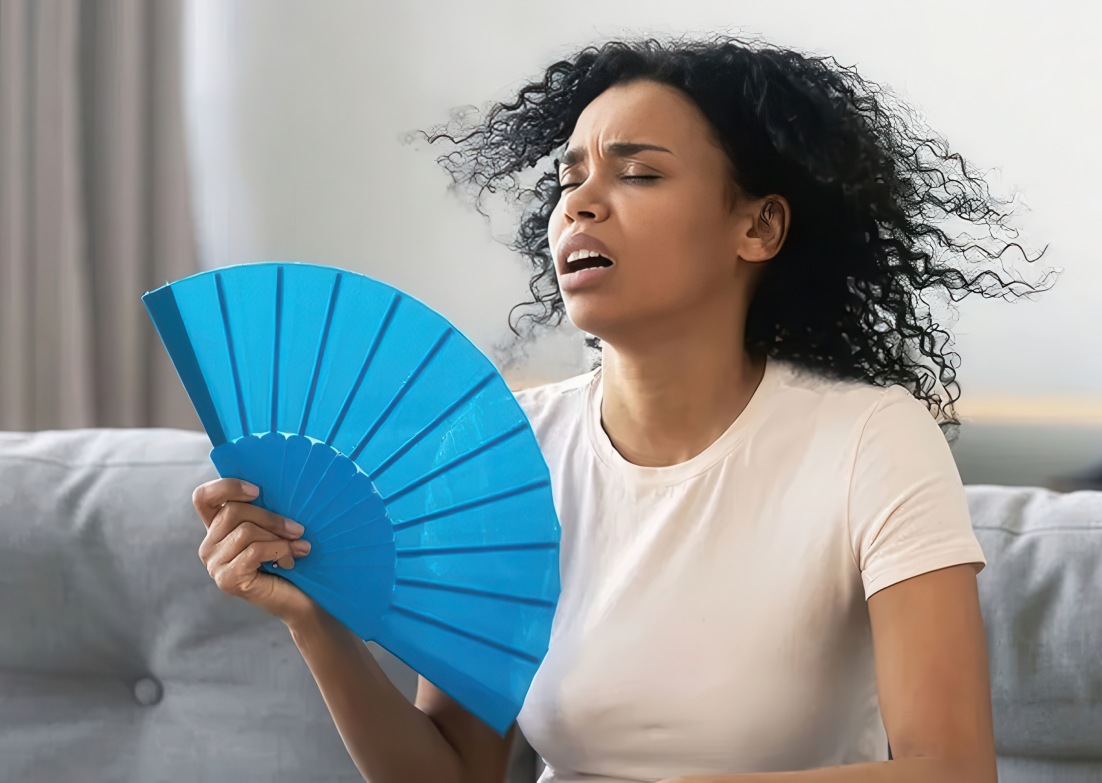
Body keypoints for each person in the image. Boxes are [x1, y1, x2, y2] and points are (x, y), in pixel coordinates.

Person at [192, 35, 1055, 783]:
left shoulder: (871, 439)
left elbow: (950, 767)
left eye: (638, 172)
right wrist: (317, 625)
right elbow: (455, 772)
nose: (581, 202)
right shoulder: (502, 452)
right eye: (570, 179)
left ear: (758, 228)